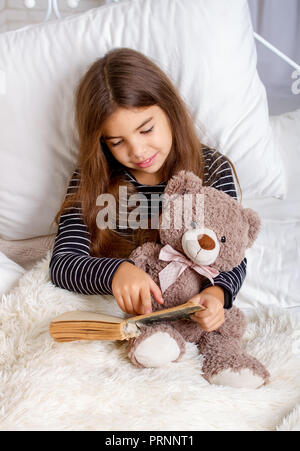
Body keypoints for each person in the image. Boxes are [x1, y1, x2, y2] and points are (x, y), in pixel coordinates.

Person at [49, 48, 247, 333]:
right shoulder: (92, 178)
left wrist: (218, 294)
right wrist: (115, 272)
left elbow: (234, 253)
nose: (138, 151)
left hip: (189, 320)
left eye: (146, 130)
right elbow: (63, 263)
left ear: (169, 111)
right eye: (117, 142)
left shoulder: (212, 169)